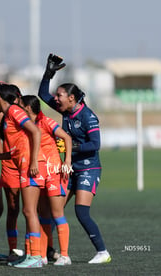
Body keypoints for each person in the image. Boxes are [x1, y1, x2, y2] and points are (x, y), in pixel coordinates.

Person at [38, 53, 111, 264]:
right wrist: (48, 73)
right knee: (55, 209)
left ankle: (102, 252)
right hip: (68, 168)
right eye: (58, 95)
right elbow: (43, 93)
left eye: (60, 95)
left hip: (88, 168)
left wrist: (73, 145)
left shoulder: (87, 116)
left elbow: (95, 144)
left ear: (71, 98)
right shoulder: (65, 110)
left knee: (81, 211)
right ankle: (48, 250)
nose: (56, 98)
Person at [0, 84, 47, 268]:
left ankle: (36, 257)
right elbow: (14, 150)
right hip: (24, 164)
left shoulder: (14, 110)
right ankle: (33, 255)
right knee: (28, 211)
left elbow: (36, 131)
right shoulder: (8, 116)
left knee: (29, 211)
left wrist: (32, 162)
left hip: (31, 165)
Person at [21, 95, 73, 266]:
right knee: (43, 215)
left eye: (21, 106)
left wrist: (67, 161)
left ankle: (65, 255)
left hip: (54, 172)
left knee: (57, 214)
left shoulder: (46, 122)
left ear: (28, 108)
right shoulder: (26, 125)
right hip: (40, 172)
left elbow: (67, 138)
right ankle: (42, 255)